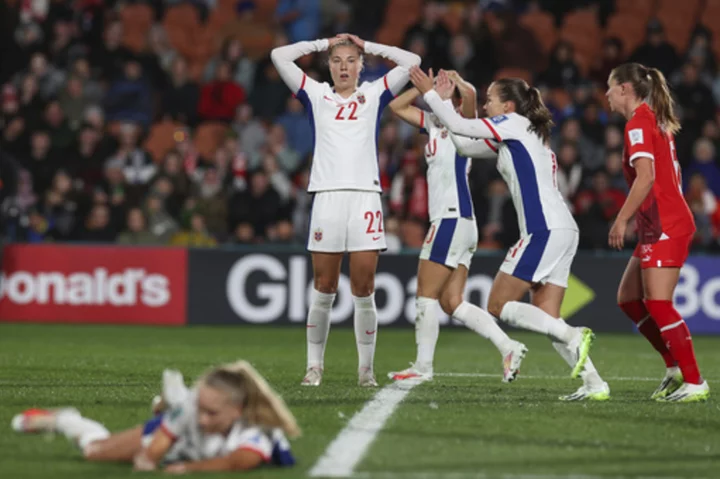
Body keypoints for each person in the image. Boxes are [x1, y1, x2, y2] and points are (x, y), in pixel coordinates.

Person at [409, 67, 608, 400]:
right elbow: (464, 145)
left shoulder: (513, 124)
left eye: (490, 100)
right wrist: (450, 104)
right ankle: (594, 382)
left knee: (498, 304)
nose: (486, 106)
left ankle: (573, 335)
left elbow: (458, 125)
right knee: (546, 315)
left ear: (508, 107)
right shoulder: (521, 134)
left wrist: (431, 95)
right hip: (562, 228)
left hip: (543, 229)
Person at [271, 33, 420, 387]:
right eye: (336, 61)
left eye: (351, 60)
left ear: (360, 66)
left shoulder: (373, 94)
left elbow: (412, 61)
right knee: (324, 286)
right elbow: (279, 56)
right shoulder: (316, 94)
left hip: (365, 196)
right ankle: (314, 367)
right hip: (327, 196)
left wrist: (367, 45)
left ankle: (365, 370)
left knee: (364, 286)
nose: (343, 67)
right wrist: (323, 42)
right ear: (328, 65)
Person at [386, 69, 527, 383]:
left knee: (425, 294)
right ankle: (508, 345)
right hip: (460, 222)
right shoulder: (434, 123)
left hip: (451, 218)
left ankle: (423, 367)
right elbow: (395, 108)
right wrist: (422, 89)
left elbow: (472, 98)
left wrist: (458, 84)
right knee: (452, 302)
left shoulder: (462, 123)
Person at [606, 62, 710, 402]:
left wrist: (621, 219)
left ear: (624, 89)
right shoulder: (652, 119)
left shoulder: (638, 122)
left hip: (667, 223)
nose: (605, 94)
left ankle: (695, 381)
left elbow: (646, 177)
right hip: (656, 224)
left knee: (658, 303)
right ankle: (674, 366)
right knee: (629, 300)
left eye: (610, 87)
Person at [12, 361, 300, 472]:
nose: (203, 418)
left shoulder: (258, 426)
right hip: (181, 439)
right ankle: (67, 420)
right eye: (201, 409)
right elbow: (158, 447)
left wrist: (188, 469)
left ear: (237, 411)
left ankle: (168, 401)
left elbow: (239, 461)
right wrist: (148, 459)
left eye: (212, 413)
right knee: (93, 452)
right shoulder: (193, 412)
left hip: (194, 449)